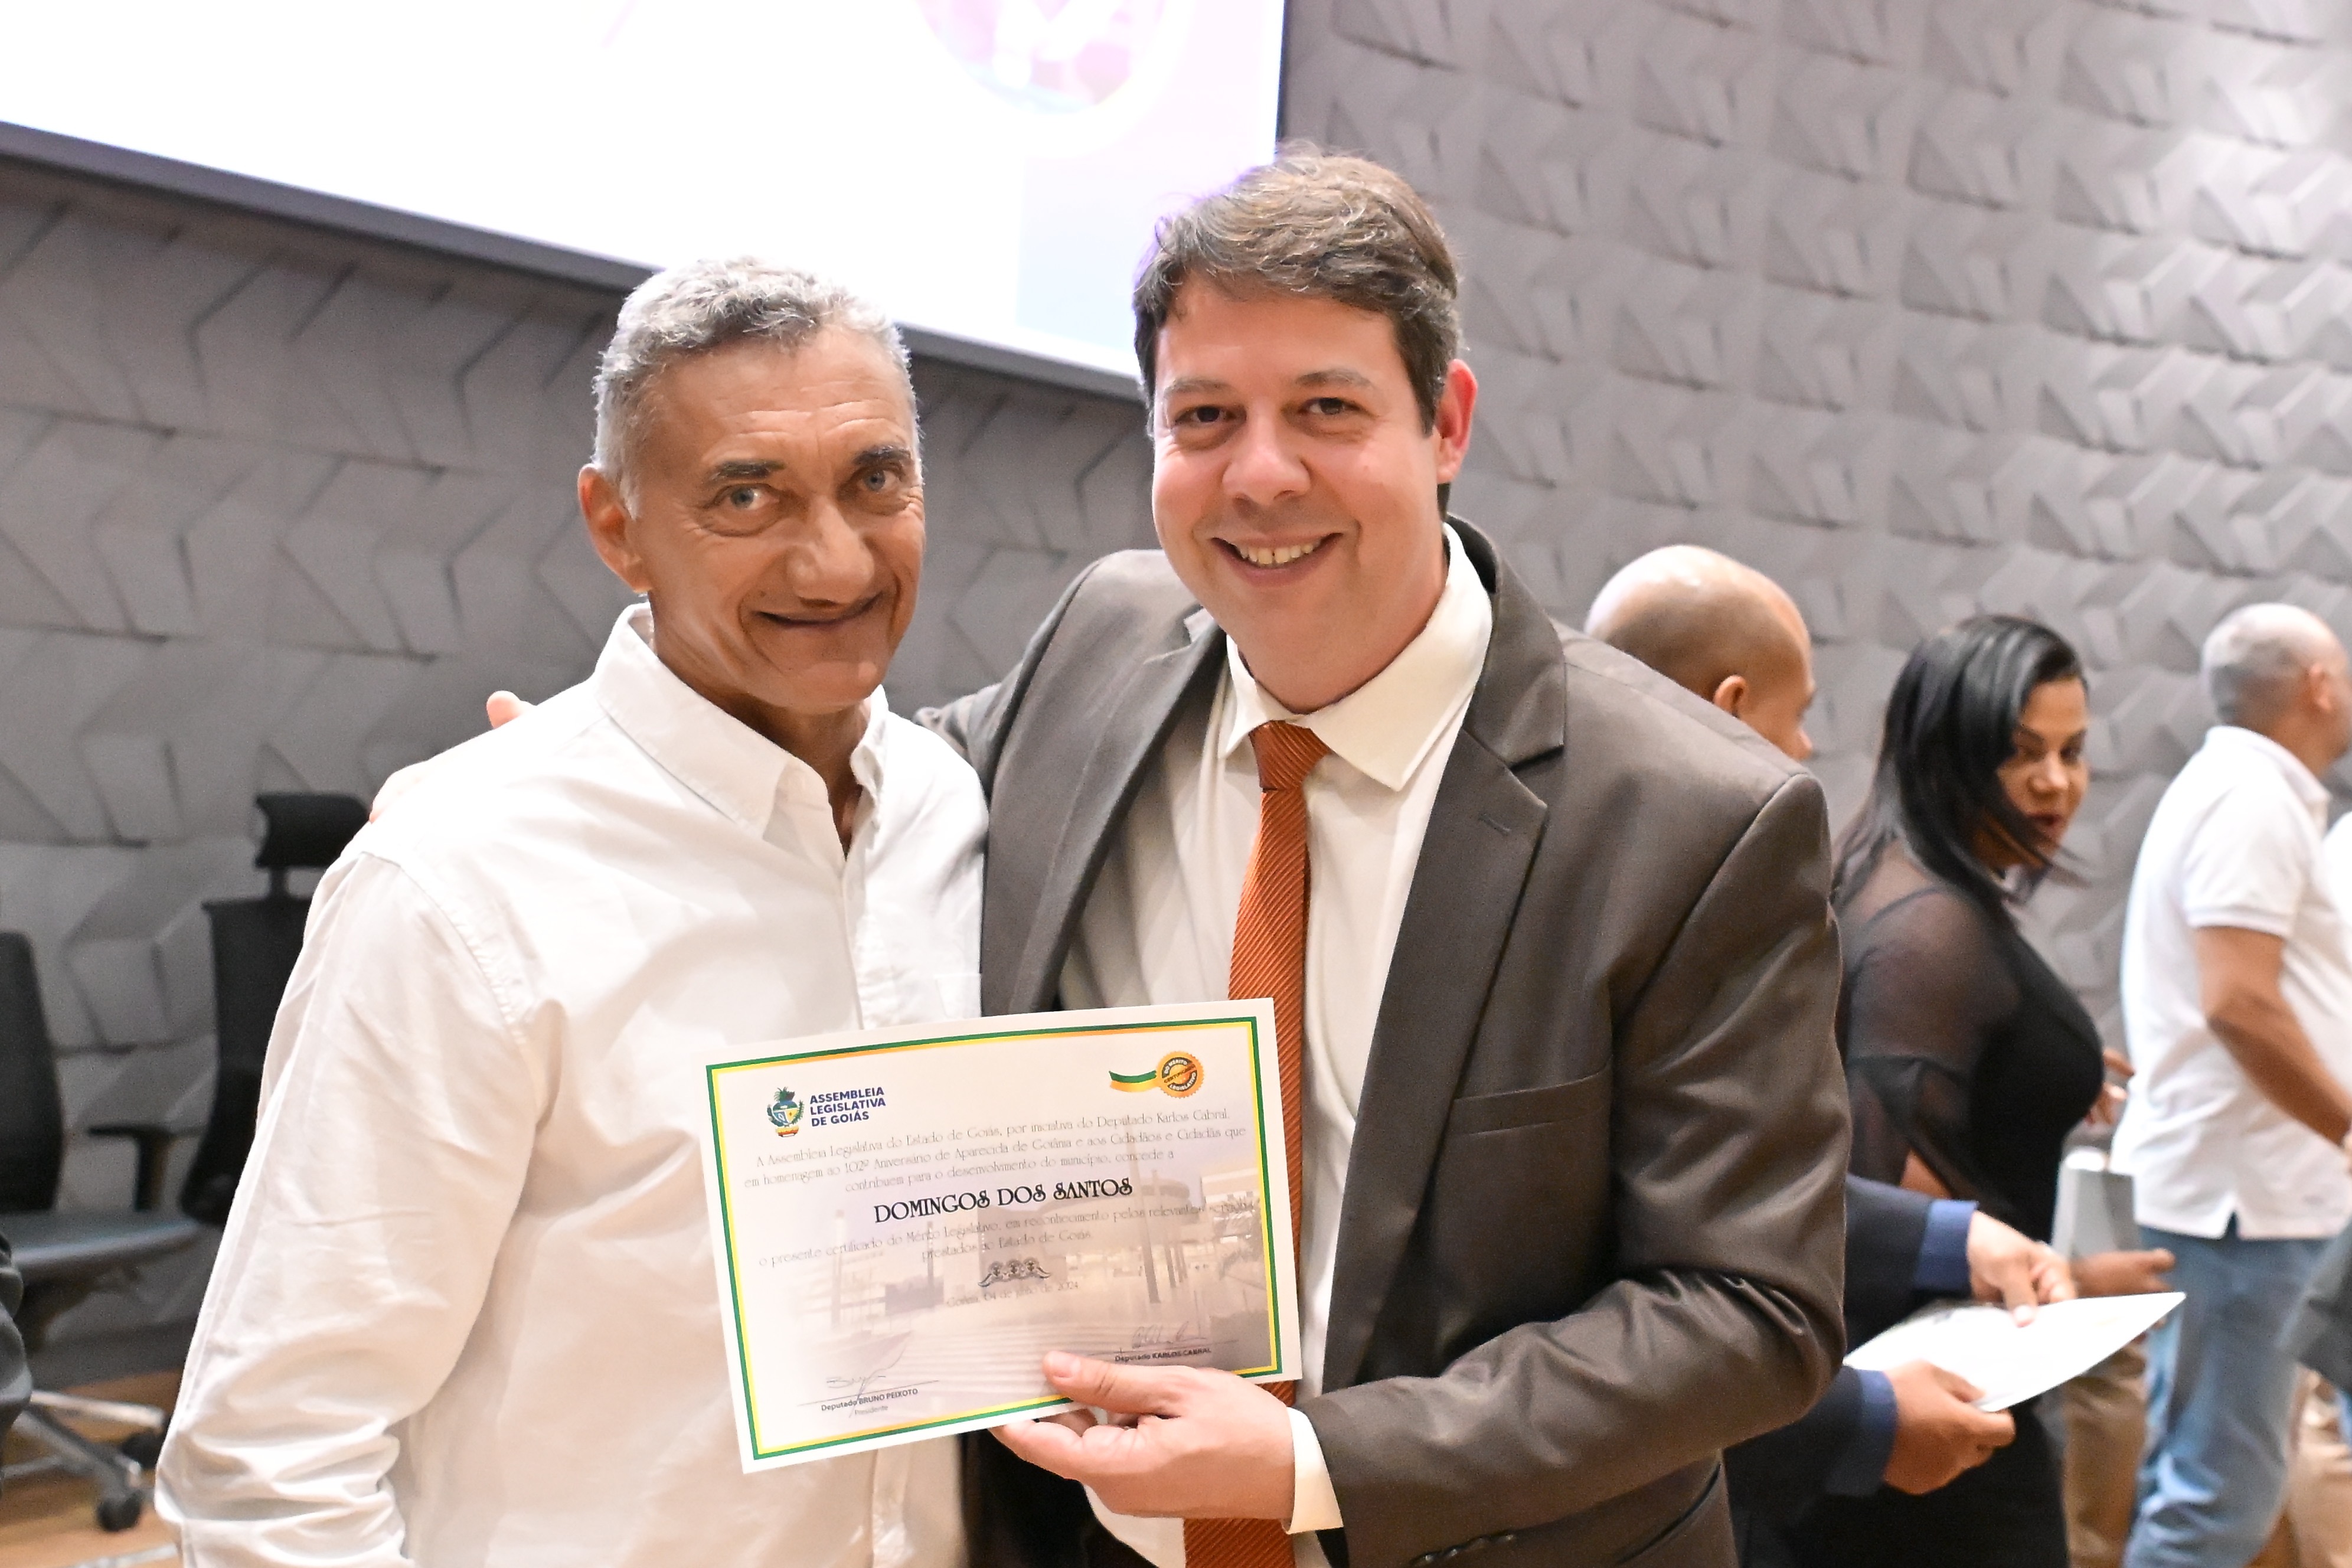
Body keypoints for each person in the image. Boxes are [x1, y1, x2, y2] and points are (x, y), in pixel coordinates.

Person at [925, 152, 1851, 1568]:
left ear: (1447, 421)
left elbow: (1750, 1308)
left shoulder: (1696, 819)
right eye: (1205, 416)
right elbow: (863, 796)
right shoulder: (1096, 648)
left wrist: (1312, 1462)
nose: (1261, 473)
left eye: (1327, 408)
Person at [156, 262, 985, 1567]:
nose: (835, 559)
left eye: (875, 479)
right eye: (747, 494)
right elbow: (271, 1458)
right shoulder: (459, 874)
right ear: (618, 527)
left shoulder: (958, 814)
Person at [1585, 548, 2073, 1567]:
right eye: (1800, 715)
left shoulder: (1679, 886)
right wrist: (1861, 1419)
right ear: (1726, 708)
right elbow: (1631, 1245)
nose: (1808, 749)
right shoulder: (1603, 908)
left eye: (2073, 753)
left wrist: (1953, 1237)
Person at [1787, 615, 2173, 1568]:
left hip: (1938, 1398)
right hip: (1938, 1409)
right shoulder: (1928, 926)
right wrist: (2067, 1284)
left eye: (2072, 752)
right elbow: (1880, 1180)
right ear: (1946, 749)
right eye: (2021, 753)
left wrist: (2040, 1074)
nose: (2056, 783)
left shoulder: (1904, 883)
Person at [2112, 602, 2352, 1568]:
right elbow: (2239, 1002)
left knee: (2217, 1485)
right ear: (2318, 686)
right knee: (2217, 1501)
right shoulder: (2249, 799)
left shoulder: (2253, 793)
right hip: (2242, 1206)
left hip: (2263, 1197)